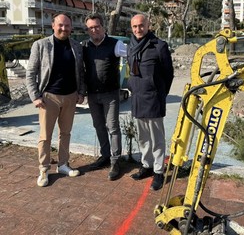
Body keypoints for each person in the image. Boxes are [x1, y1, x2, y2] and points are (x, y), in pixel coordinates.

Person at [26, 12, 85, 187]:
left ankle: (63, 165)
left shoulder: (76, 46)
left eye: (67, 25)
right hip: (48, 98)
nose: (64, 28)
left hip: (70, 96)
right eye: (60, 25)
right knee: (45, 136)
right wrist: (35, 96)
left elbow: (81, 72)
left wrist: (81, 92)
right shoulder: (41, 45)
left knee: (65, 133)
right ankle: (44, 169)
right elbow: (30, 73)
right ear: (53, 25)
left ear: (71, 28)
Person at [128, 14, 174, 191]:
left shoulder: (159, 46)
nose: (138, 30)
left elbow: (168, 74)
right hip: (137, 98)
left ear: (148, 26)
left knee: (157, 139)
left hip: (153, 99)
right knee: (143, 137)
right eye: (134, 27)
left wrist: (160, 93)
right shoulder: (131, 46)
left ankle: (158, 171)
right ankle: (146, 166)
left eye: (141, 26)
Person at [82, 13, 127, 181]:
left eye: (97, 26)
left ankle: (116, 161)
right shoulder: (84, 46)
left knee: (113, 127)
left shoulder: (116, 44)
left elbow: (133, 57)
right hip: (92, 95)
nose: (94, 30)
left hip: (111, 94)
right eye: (91, 28)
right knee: (99, 126)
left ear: (103, 27)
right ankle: (105, 156)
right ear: (87, 30)